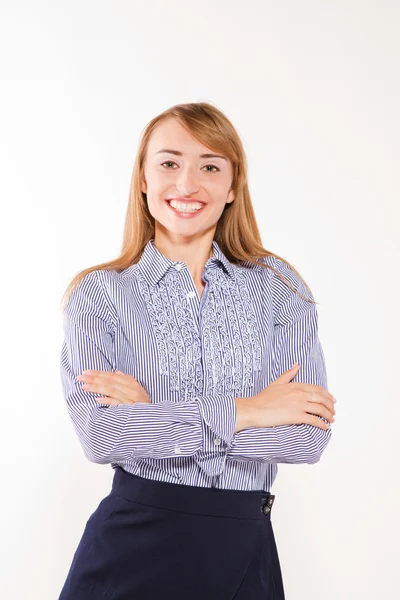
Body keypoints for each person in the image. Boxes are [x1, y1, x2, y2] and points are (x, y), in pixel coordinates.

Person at [58, 102, 336, 600]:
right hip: (130, 546)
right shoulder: (100, 294)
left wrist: (153, 417)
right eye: (169, 163)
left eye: (210, 166)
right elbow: (100, 437)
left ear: (232, 186)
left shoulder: (281, 291)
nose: (187, 184)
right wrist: (254, 411)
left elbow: (306, 439)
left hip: (243, 548)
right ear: (142, 179)